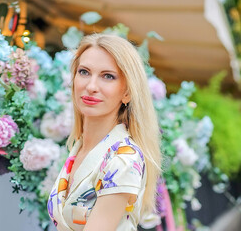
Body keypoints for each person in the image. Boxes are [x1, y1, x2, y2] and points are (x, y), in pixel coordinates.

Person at [48, 33, 161, 231]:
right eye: (84, 72)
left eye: (107, 76)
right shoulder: (80, 147)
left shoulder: (124, 159)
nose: (91, 86)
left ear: (127, 92)